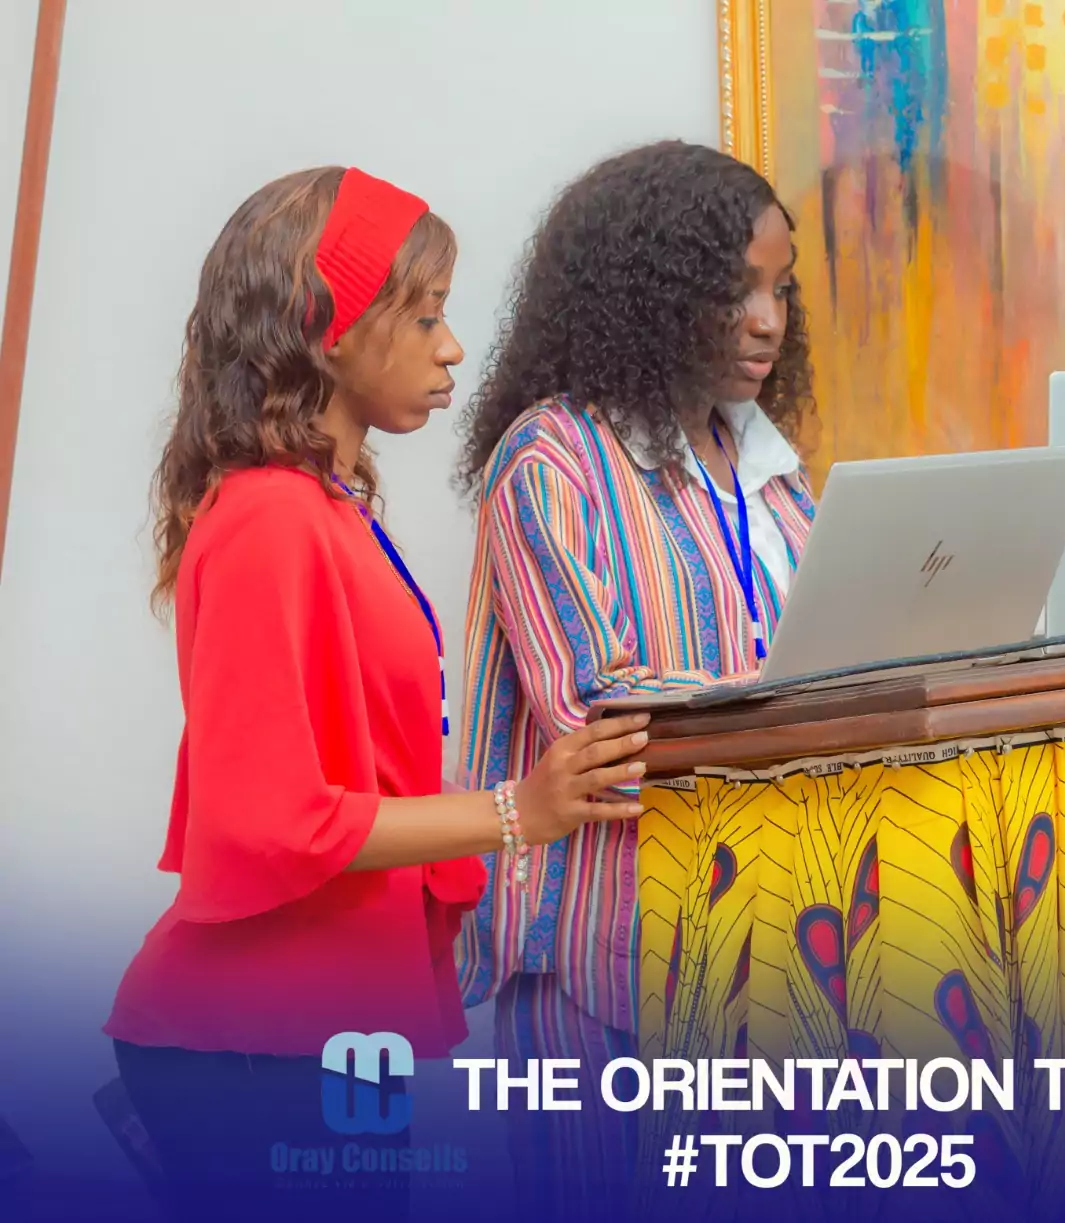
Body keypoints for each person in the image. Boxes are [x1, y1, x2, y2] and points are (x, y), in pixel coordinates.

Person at [103, 166, 651, 1223]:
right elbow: (272, 817)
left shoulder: (328, 507)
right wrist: (515, 811)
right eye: (427, 316)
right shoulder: (271, 519)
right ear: (331, 329)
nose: (454, 348)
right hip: (253, 1038)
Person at [452, 140, 816, 1215]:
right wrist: (812, 708)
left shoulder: (768, 467)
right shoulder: (550, 460)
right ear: (649, 292)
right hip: (610, 966)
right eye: (735, 290)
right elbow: (601, 718)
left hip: (770, 947)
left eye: (781, 289)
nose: (767, 320)